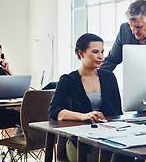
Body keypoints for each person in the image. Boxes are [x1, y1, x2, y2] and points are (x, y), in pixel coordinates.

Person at [49, 33, 133, 162]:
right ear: (81, 53)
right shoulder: (67, 80)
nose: (100, 56)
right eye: (95, 52)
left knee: (127, 154)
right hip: (81, 142)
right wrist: (82, 116)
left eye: (102, 52)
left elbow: (117, 112)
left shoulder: (109, 77)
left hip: (109, 137)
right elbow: (54, 111)